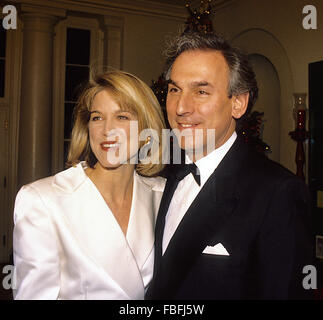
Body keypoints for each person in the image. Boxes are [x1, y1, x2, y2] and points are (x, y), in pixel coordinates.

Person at [145, 32, 313, 299]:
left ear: (238, 103)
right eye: (174, 89)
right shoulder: (161, 177)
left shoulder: (277, 193)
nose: (180, 107)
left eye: (201, 91)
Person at [13, 70, 166, 299]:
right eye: (97, 117)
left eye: (122, 117)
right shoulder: (41, 201)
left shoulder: (163, 194)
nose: (106, 130)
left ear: (147, 131)